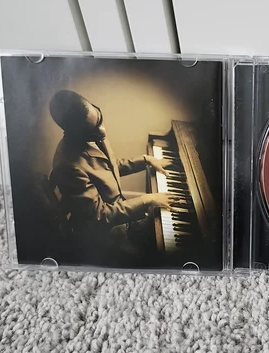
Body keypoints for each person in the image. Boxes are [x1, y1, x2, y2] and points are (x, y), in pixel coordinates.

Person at [48, 89, 175, 266]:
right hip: (105, 238)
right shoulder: (68, 166)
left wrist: (146, 160)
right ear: (75, 133)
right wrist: (147, 199)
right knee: (158, 259)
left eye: (99, 118)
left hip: (120, 215)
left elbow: (109, 167)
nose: (103, 129)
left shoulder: (92, 132)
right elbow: (99, 216)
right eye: (94, 130)